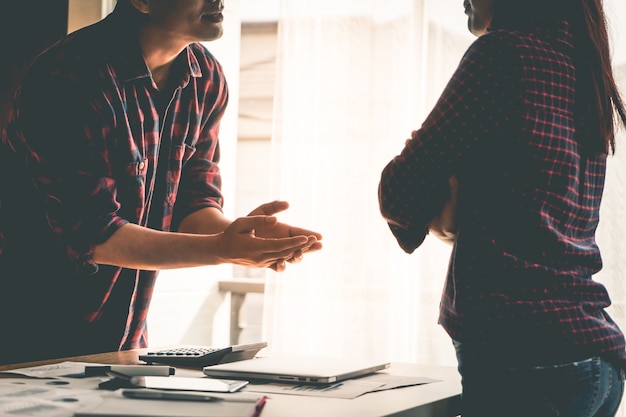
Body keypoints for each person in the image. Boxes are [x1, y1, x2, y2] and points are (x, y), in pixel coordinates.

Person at [0, 0, 322, 365]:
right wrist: (222, 249)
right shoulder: (70, 75)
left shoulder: (206, 77)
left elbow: (193, 205)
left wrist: (241, 236)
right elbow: (95, 235)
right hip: (24, 341)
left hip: (123, 344)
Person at [378, 0, 626, 416]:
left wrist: (430, 184)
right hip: (594, 360)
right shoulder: (583, 66)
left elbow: (402, 189)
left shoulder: (500, 55)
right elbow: (532, 205)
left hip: (525, 360)